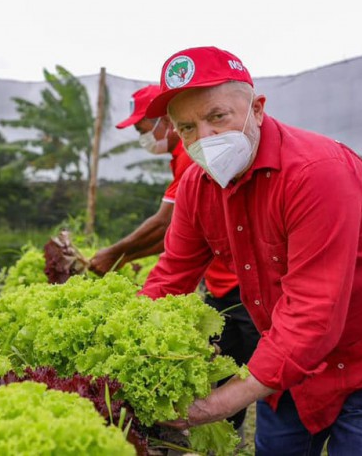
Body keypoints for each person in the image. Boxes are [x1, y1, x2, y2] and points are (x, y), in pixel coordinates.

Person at [138, 46, 362, 454]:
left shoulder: (317, 173)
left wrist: (215, 403)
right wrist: (126, 341)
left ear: (257, 109)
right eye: (187, 127)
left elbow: (314, 312)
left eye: (217, 116)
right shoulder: (195, 186)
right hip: (286, 367)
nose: (204, 138)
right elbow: (172, 276)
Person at [89, 84, 259, 433]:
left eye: (142, 130)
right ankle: (228, 427)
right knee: (227, 362)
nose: (143, 139)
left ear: (163, 123)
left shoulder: (194, 154)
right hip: (221, 283)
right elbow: (180, 244)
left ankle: (230, 427)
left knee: (252, 371)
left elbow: (164, 223)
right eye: (188, 127)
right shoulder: (187, 159)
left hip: (245, 286)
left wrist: (113, 254)